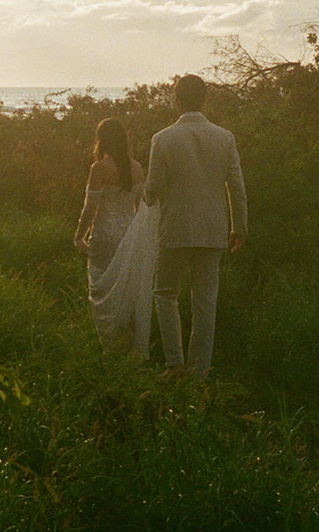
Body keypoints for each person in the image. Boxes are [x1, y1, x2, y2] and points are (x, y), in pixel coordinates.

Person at [145, 74, 247, 380]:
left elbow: (153, 188)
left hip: (175, 229)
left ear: (176, 99)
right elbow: (237, 186)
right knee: (205, 302)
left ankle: (174, 365)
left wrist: (144, 196)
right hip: (213, 230)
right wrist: (239, 227)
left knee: (165, 293)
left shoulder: (163, 139)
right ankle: (200, 371)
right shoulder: (224, 137)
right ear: (204, 99)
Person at [74, 118, 155, 355]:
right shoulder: (137, 168)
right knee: (126, 287)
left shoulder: (98, 168)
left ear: (102, 140)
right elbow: (141, 209)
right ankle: (128, 343)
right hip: (128, 233)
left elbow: (90, 207)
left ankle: (110, 346)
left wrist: (79, 236)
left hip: (105, 234)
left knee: (101, 289)